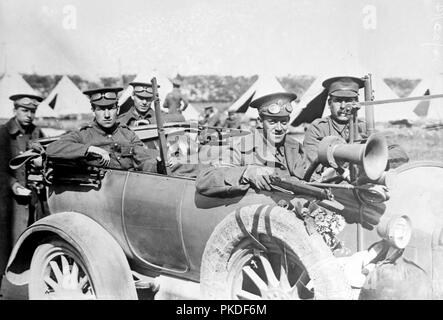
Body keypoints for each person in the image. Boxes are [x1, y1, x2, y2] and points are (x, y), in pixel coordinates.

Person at [196, 92, 309, 197]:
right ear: (260, 122)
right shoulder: (242, 147)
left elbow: (308, 178)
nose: (279, 128)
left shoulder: (294, 147)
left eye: (284, 122)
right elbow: (205, 180)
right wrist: (246, 173)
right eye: (272, 122)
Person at [303, 76, 408, 180]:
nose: (343, 106)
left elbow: (400, 153)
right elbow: (316, 168)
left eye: (348, 100)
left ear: (357, 103)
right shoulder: (318, 128)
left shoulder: (364, 127)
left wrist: (373, 158)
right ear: (329, 103)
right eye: (338, 101)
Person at [46, 87, 158, 172]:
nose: (107, 115)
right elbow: (52, 149)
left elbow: (143, 160)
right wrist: (90, 149)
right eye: (101, 109)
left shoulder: (128, 134)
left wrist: (158, 164)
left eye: (111, 108)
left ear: (117, 110)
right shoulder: (84, 135)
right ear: (93, 110)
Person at [0, 93, 46, 285]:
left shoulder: (37, 133)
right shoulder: (3, 134)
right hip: (8, 203)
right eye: (24, 110)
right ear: (15, 110)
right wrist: (14, 185)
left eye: (32, 111)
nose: (29, 115)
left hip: (32, 200)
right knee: (4, 248)